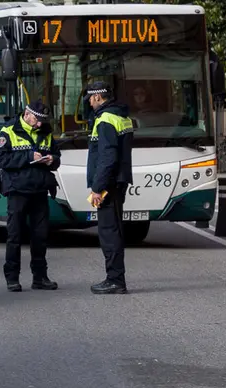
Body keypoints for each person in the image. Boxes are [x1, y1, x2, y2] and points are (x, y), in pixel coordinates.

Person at [0, 100, 61, 292]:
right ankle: (12, 278)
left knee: (40, 236)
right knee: (14, 236)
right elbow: (0, 159)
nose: (39, 124)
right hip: (17, 191)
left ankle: (40, 277)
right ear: (27, 114)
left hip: (39, 190)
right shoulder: (8, 131)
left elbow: (57, 156)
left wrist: (52, 160)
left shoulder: (45, 132)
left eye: (42, 120)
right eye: (37, 119)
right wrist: (29, 157)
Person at [85, 81, 134, 294]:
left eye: (90, 97)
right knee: (114, 229)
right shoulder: (121, 116)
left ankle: (115, 279)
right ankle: (115, 277)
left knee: (108, 232)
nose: (88, 101)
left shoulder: (105, 120)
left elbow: (107, 157)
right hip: (118, 180)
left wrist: (97, 187)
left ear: (97, 97)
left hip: (109, 184)